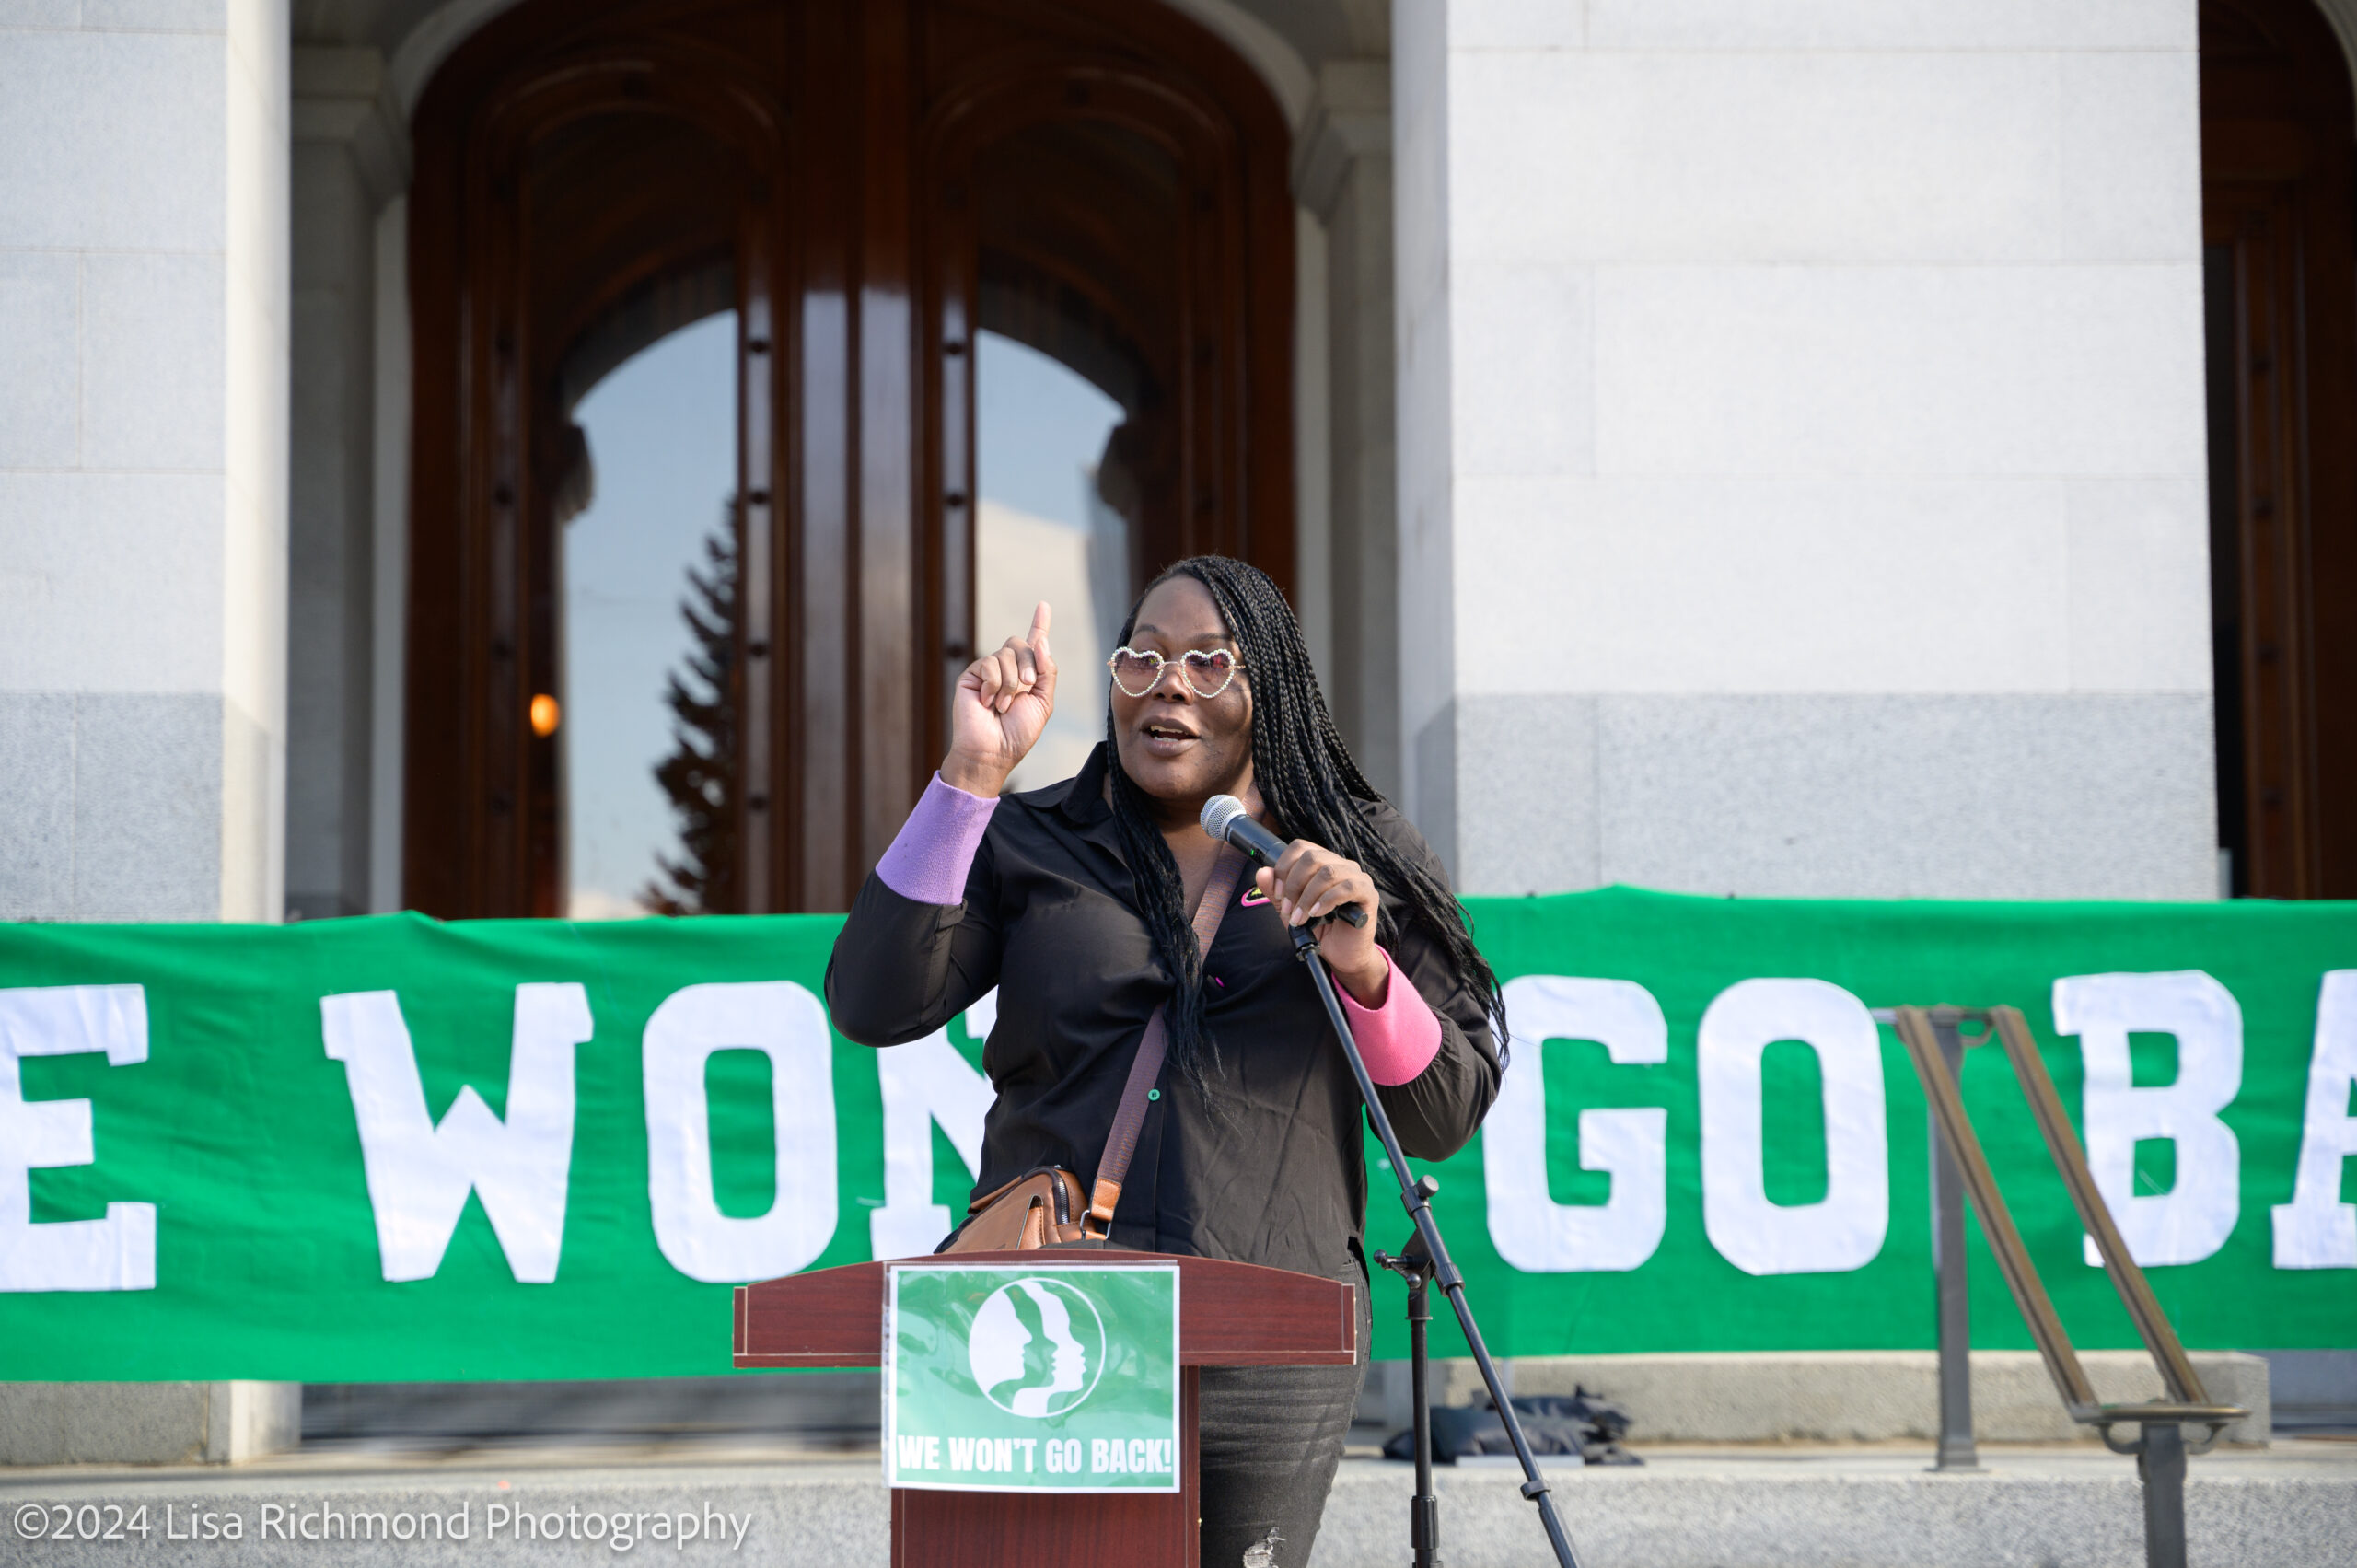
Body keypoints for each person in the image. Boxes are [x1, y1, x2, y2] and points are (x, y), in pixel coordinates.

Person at [827, 554, 1506, 1567]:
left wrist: (1360, 961)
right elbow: (873, 1001)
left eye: (1205, 662)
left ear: (1264, 690)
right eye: (1141, 660)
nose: (1168, 684)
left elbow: (1440, 1111)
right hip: (1042, 1322)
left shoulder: (1350, 852)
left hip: (1269, 1328)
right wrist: (971, 772)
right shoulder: (1034, 838)